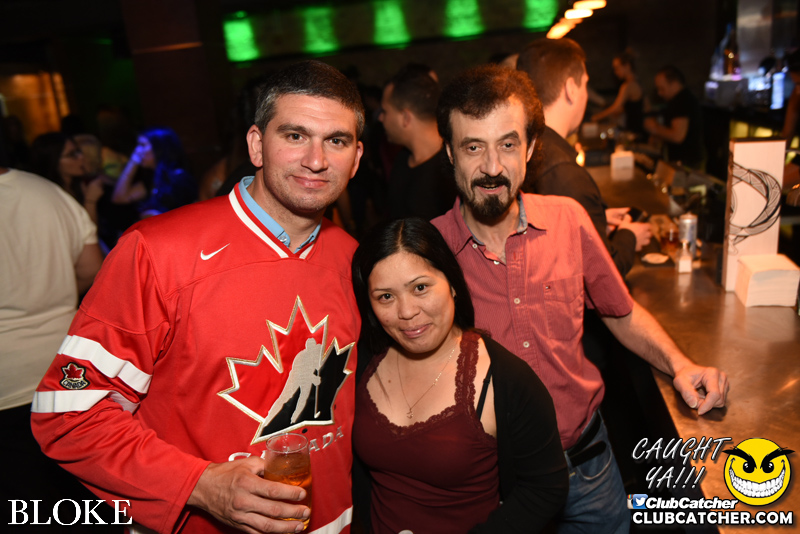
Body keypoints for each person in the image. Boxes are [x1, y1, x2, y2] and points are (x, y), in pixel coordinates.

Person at [32, 60, 366, 534]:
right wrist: (200, 484)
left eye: (336, 141)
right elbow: (69, 414)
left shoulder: (355, 260)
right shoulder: (158, 252)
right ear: (256, 144)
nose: (316, 160)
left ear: (356, 157)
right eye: (295, 136)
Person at [431, 64, 729, 533]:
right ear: (450, 152)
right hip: (497, 486)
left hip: (589, 468)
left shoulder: (568, 220)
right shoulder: (429, 253)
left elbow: (621, 312)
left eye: (507, 144)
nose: (492, 167)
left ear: (530, 148)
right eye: (473, 147)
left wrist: (680, 363)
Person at [351, 217, 567, 533]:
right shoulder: (361, 364)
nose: (406, 311)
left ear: (452, 283)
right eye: (386, 296)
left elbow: (545, 489)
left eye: (420, 288)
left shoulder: (508, 380)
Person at [1, 166, 105, 529]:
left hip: (8, 383)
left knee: (25, 503)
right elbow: (91, 270)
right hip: (69, 367)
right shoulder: (47, 192)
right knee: (87, 493)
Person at [518, 38, 651, 277]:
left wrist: (595, 218)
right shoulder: (566, 174)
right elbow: (603, 272)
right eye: (585, 85)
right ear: (571, 89)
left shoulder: (526, 146)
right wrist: (629, 235)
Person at [379, 64, 457, 220]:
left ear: (405, 118)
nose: (381, 118)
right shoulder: (402, 159)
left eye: (385, 111)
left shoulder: (451, 170)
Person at [111, 126, 197, 218]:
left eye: (143, 145)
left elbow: (188, 215)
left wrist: (156, 216)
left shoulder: (179, 178)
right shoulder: (153, 179)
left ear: (159, 147)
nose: (137, 150)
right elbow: (119, 198)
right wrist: (133, 161)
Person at [31, 132, 106, 226]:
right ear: (53, 161)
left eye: (78, 151)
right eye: (72, 154)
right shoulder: (49, 196)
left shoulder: (81, 184)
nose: (81, 157)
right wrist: (90, 201)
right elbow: (88, 231)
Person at [644, 65, 705, 170]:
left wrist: (655, 128)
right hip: (684, 161)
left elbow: (677, 136)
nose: (659, 93)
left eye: (661, 88)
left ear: (674, 83)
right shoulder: (678, 100)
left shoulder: (682, 101)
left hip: (688, 164)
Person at [591, 51, 645, 136]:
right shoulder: (637, 82)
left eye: (617, 68)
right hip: (637, 128)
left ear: (627, 66)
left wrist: (597, 117)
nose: (616, 72)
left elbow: (616, 107)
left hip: (634, 131)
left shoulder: (628, 86)